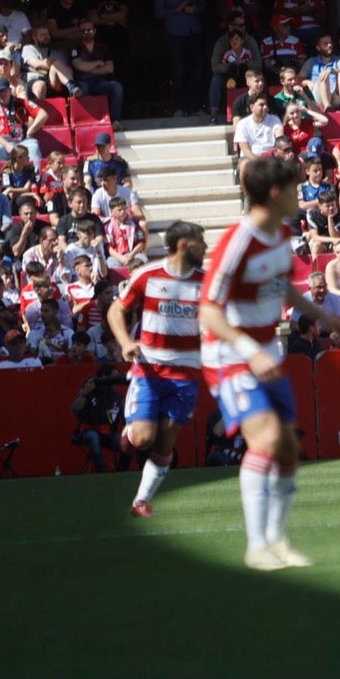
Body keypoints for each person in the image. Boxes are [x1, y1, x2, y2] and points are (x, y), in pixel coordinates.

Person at [199, 156, 340, 571]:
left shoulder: (282, 233)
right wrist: (249, 350)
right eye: (297, 189)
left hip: (266, 353)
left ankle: (277, 542)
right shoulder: (237, 242)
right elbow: (208, 311)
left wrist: (324, 315)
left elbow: (282, 289)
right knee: (264, 440)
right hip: (231, 354)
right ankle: (256, 546)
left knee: (287, 448)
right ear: (277, 193)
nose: (303, 196)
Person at [106, 220, 207, 516]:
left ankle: (140, 501)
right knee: (143, 439)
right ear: (183, 245)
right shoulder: (147, 275)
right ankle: (130, 435)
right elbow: (116, 310)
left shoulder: (207, 281)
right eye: (201, 241)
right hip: (150, 370)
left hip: (187, 372)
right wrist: (125, 342)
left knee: (168, 437)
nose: (206, 247)